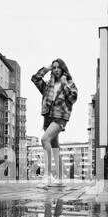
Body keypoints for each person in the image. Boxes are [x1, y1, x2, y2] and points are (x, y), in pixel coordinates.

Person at [31, 59, 78, 187]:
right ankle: (61, 177)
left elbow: (73, 98)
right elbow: (35, 79)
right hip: (48, 118)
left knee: (44, 139)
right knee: (55, 146)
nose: (56, 70)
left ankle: (47, 175)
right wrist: (46, 68)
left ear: (63, 69)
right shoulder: (48, 86)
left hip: (60, 117)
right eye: (54, 67)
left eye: (58, 67)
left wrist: (64, 84)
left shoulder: (69, 83)